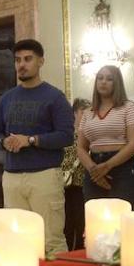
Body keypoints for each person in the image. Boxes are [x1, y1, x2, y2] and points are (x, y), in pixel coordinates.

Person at [0, 39, 75, 256]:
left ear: (41, 61)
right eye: (18, 60)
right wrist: (4, 142)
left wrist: (30, 140)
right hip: (12, 177)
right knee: (18, 242)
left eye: (28, 59)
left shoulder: (54, 97)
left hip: (45, 176)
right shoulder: (7, 98)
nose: (22, 64)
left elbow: (66, 136)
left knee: (51, 241)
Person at [77, 66, 134, 208]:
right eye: (100, 78)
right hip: (93, 166)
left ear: (117, 82)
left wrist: (108, 165)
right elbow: (81, 147)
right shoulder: (88, 112)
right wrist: (93, 170)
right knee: (94, 218)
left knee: (123, 218)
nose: (103, 82)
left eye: (109, 79)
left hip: (122, 166)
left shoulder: (129, 107)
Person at [61, 98, 91, 250]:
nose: (86, 114)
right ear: (75, 113)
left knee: (81, 224)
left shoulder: (91, 135)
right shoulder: (65, 134)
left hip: (82, 185)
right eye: (82, 111)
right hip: (64, 186)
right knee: (66, 225)